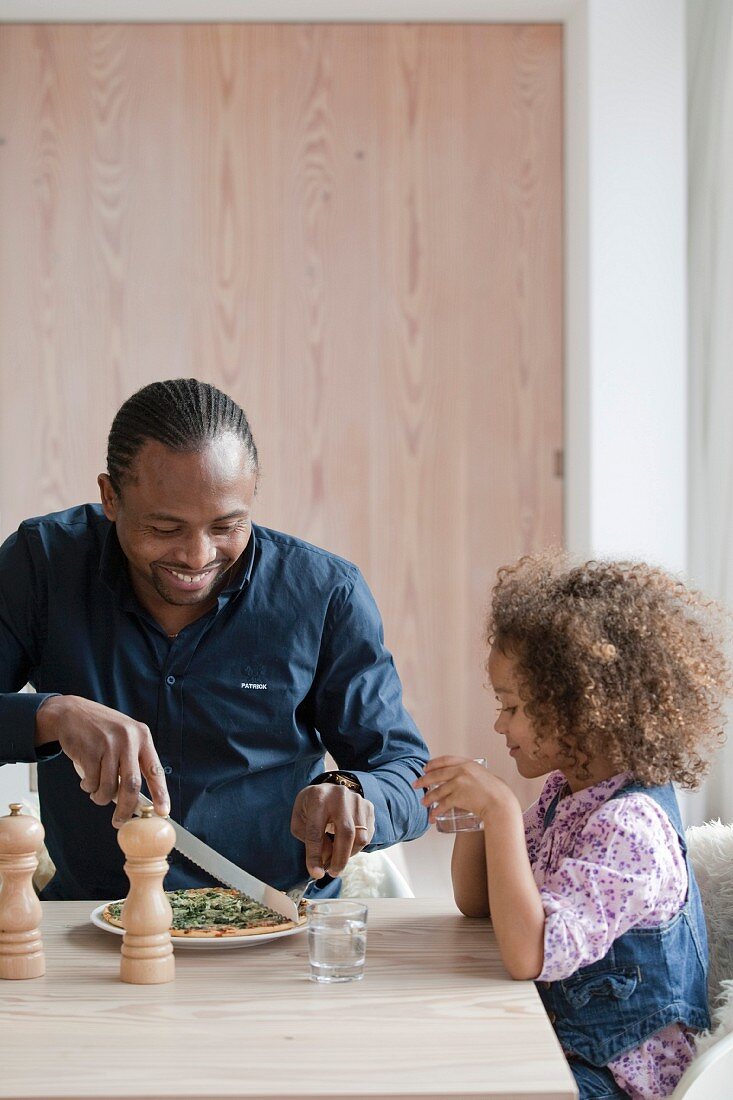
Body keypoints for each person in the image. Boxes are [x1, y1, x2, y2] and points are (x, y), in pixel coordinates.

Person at [0, 378, 429, 900]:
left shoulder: (324, 595)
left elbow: (405, 772)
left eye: (227, 526)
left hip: (279, 925)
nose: (198, 556)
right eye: (165, 528)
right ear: (110, 497)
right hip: (91, 924)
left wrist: (355, 791)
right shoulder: (41, 565)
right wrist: (51, 715)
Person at [415, 550, 732, 1100]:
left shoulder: (631, 827)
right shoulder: (570, 796)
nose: (498, 723)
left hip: (613, 1081)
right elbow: (479, 905)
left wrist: (501, 812)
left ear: (580, 710)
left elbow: (528, 954)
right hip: (556, 1047)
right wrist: (479, 821)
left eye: (512, 707)